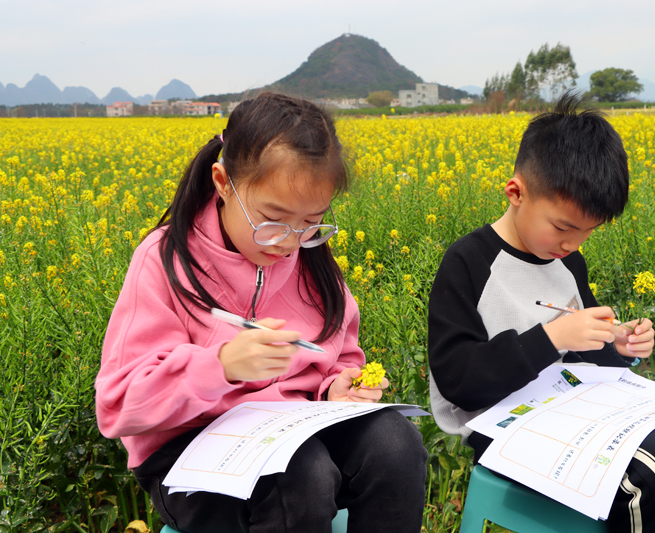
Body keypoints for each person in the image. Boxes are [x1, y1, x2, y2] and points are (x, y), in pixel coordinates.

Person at [95, 92, 427, 533]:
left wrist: (336, 388)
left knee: (396, 443)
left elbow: (341, 355)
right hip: (187, 458)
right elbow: (117, 406)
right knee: (300, 475)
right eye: (272, 219)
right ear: (222, 182)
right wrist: (221, 366)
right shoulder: (165, 260)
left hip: (293, 432)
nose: (289, 242)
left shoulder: (313, 263)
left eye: (311, 223)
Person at [427, 92, 655, 533]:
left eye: (587, 233)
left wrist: (619, 346)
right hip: (500, 423)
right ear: (516, 192)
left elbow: (585, 360)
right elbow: (459, 381)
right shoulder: (468, 263)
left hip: (574, 405)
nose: (572, 245)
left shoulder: (567, 260)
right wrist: (554, 336)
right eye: (563, 227)